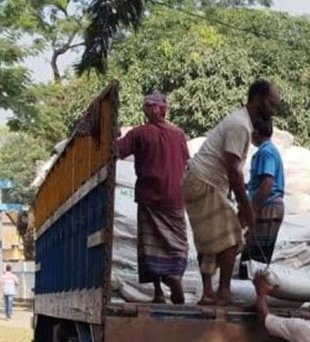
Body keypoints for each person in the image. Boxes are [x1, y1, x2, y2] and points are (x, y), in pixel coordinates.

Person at [184, 79, 281, 305]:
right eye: (271, 104)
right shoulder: (240, 125)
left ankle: (209, 293)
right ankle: (223, 292)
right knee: (232, 238)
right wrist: (247, 209)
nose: (273, 111)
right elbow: (234, 170)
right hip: (203, 181)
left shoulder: (241, 122)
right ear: (257, 99)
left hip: (202, 181)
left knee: (210, 240)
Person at [117, 91, 190, 304]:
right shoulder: (178, 134)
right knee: (178, 242)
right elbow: (187, 164)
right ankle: (174, 275)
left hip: (149, 197)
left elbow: (116, 151)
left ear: (147, 110)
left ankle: (158, 291)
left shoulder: (138, 134)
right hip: (175, 197)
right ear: (165, 110)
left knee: (150, 244)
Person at [238, 117, 286, 279]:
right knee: (254, 251)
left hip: (268, 207)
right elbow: (259, 182)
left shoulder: (265, 152)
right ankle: (252, 289)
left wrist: (253, 209)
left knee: (255, 255)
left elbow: (268, 181)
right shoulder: (269, 150)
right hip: (268, 206)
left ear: (256, 133)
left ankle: (253, 290)